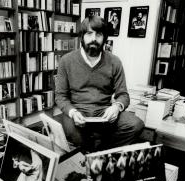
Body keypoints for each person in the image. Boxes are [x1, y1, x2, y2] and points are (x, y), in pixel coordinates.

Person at [55, 15, 144, 152]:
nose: (94, 39)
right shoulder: (66, 61)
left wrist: (116, 107)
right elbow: (60, 96)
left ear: (104, 38)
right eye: (89, 33)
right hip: (77, 111)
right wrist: (72, 112)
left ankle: (103, 151)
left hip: (104, 113)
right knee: (74, 135)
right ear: (82, 36)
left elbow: (123, 95)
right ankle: (90, 155)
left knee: (136, 125)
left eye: (99, 34)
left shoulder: (115, 62)